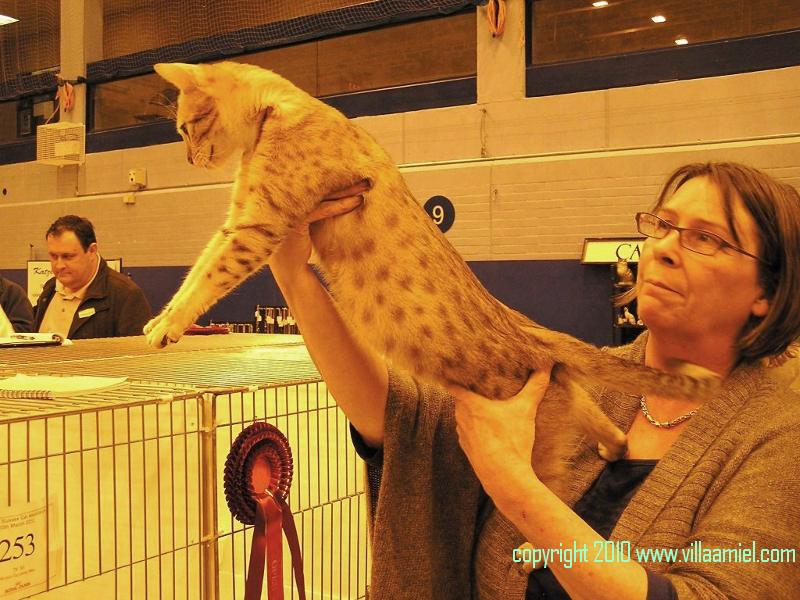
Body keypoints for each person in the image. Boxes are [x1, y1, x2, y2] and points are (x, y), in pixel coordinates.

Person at [268, 162, 800, 599]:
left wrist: (512, 483)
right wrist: (295, 275)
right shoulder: (587, 379)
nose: (661, 248)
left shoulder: (778, 438)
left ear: (767, 294)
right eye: (661, 225)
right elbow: (404, 419)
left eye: (705, 239)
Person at [33, 215, 152, 339]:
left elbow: (137, 355)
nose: (59, 265)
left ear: (91, 251)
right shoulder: (50, 289)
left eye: (68, 256)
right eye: (53, 256)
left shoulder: (125, 296)